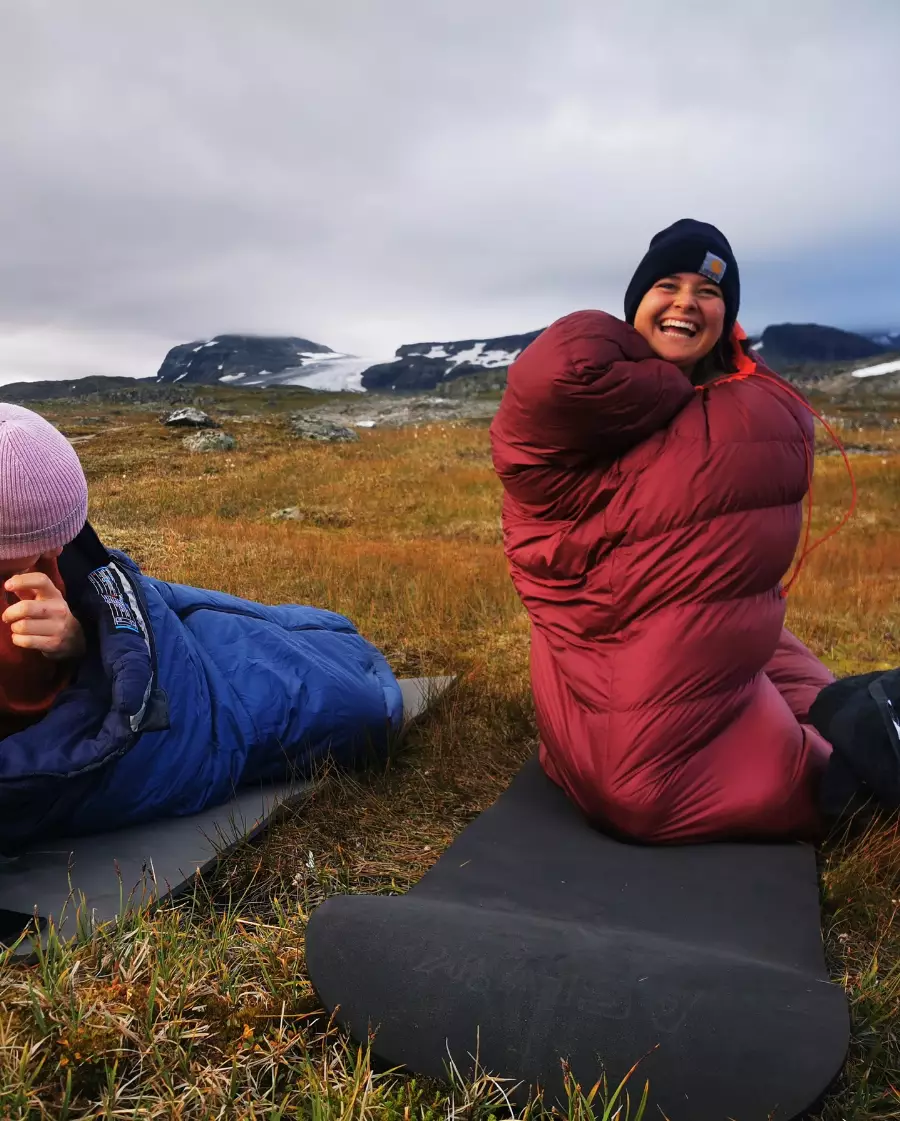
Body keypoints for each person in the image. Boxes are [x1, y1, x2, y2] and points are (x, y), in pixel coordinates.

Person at [490, 219, 836, 844]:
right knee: (641, 787)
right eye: (667, 286)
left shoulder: (750, 403)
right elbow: (548, 388)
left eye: (708, 291)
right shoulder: (597, 407)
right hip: (599, 642)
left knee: (804, 733)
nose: (686, 302)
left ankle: (848, 736)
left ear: (728, 316)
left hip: (706, 644)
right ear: (637, 302)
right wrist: (658, 383)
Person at [0, 403, 403, 851]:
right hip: (148, 716)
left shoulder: (57, 553)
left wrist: (77, 641)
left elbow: (114, 592)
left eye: (64, 535)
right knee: (357, 706)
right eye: (37, 545)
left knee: (295, 645)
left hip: (153, 649)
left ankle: (324, 639)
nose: (56, 554)